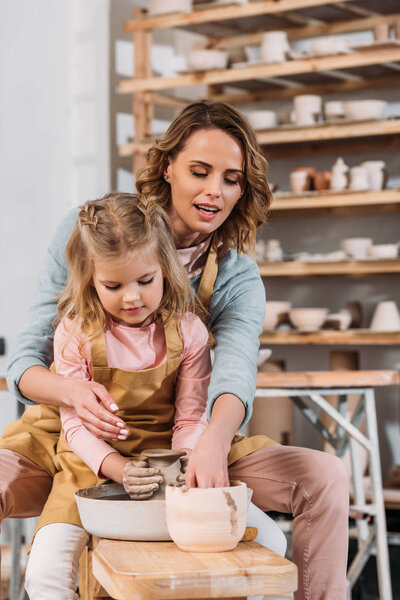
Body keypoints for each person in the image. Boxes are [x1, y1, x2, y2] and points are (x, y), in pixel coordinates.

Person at [1, 100, 348, 600]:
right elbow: (25, 361)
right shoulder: (91, 234)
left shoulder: (236, 275)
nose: (215, 190)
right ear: (167, 168)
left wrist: (205, 446)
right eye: (199, 171)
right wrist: (73, 393)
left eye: (231, 179)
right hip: (73, 433)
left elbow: (233, 373)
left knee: (324, 475)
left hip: (186, 438)